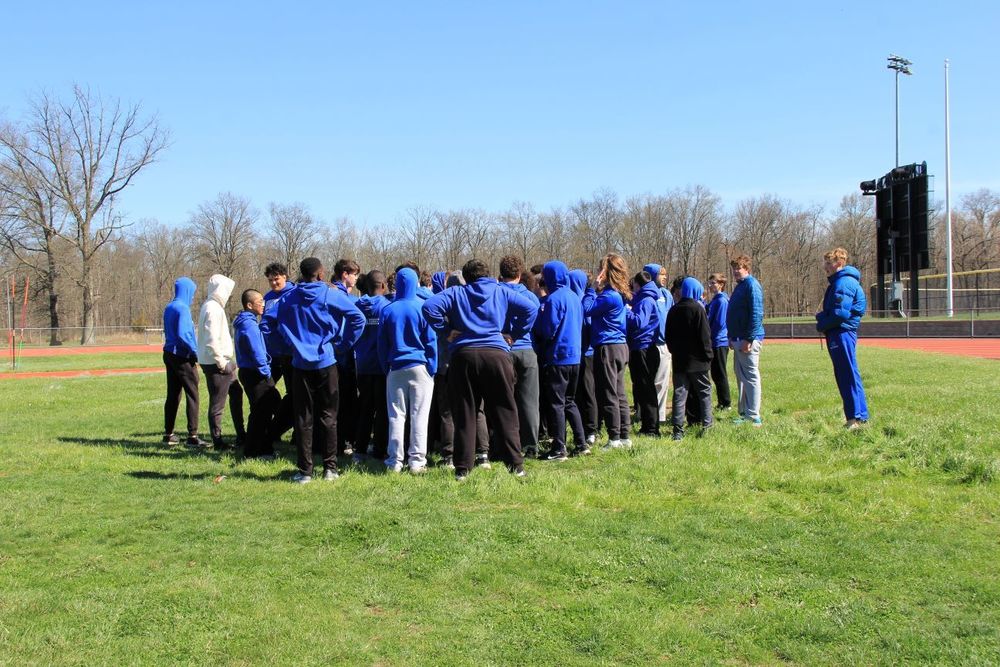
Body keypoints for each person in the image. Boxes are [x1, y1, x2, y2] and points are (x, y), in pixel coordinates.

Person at [422, 258, 539, 480]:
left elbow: (429, 307)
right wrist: (515, 334)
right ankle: (516, 466)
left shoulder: (457, 293)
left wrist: (446, 331)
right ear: (488, 274)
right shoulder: (501, 291)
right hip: (496, 355)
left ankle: (463, 469)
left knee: (465, 412)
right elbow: (531, 309)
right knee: (505, 410)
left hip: (464, 356)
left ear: (466, 277)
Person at [277, 257, 365, 483]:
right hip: (326, 362)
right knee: (329, 416)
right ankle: (329, 468)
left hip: (300, 366)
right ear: (321, 274)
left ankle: (305, 471)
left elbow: (277, 323)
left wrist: (292, 344)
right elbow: (357, 318)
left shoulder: (289, 297)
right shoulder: (330, 295)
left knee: (303, 418)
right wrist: (343, 345)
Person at [378, 267, 438, 473]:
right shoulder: (423, 307)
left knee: (396, 416)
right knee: (419, 415)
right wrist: (432, 367)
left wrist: (386, 366)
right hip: (420, 367)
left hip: (395, 367)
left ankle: (394, 461)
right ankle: (417, 461)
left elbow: (382, 344)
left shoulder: (387, 310)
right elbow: (431, 341)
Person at [533, 261, 587, 460]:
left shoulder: (553, 300)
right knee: (570, 402)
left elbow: (548, 330)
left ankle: (559, 448)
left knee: (556, 403)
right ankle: (581, 443)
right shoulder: (574, 297)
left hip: (558, 357)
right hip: (575, 357)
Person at [815, 248, 870, 429]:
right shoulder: (841, 282)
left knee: (846, 374)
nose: (825, 267)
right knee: (850, 373)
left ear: (839, 263)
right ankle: (860, 416)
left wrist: (822, 321)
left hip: (841, 333)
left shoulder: (843, 283)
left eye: (828, 263)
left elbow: (840, 314)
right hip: (841, 332)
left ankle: (854, 418)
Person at [583, 253, 631, 449]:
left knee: (609, 393)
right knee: (619, 392)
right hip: (619, 346)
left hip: (608, 348)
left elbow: (587, 308)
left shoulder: (609, 297)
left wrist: (593, 288)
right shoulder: (618, 294)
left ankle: (614, 438)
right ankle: (624, 435)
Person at [498, 255, 541, 459]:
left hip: (503, 351)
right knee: (529, 401)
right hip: (527, 351)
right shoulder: (531, 296)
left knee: (504, 401)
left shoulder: (496, 294)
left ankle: (505, 444)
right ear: (519, 273)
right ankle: (531, 445)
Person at [196, 274, 245, 450]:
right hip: (217, 363)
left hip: (220, 361)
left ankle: (241, 434)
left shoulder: (212, 307)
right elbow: (211, 339)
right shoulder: (212, 309)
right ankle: (218, 441)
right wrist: (221, 362)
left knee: (236, 392)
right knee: (218, 403)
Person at [665, 277, 714, 440]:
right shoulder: (698, 309)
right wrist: (708, 356)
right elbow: (704, 336)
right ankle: (707, 426)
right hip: (699, 361)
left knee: (680, 395)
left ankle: (678, 430)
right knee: (705, 393)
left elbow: (668, 337)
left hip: (680, 361)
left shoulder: (674, 310)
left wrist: (675, 352)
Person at [233, 289, 280, 459]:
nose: (263, 304)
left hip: (251, 371)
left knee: (267, 407)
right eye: (260, 301)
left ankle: (263, 446)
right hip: (255, 373)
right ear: (249, 305)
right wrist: (266, 372)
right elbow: (257, 352)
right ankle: (254, 451)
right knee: (261, 413)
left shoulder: (248, 322)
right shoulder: (249, 325)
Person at [353, 270, 391, 463]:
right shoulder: (387, 307)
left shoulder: (357, 306)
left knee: (365, 408)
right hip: (381, 366)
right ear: (383, 286)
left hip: (362, 365)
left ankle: (359, 450)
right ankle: (379, 449)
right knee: (382, 410)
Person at [162, 277, 203, 447]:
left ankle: (168, 434)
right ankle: (193, 436)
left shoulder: (169, 306)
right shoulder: (183, 308)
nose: (193, 297)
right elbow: (184, 334)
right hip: (182, 356)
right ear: (187, 291)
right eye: (192, 292)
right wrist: (195, 352)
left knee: (173, 394)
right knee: (192, 394)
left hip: (169, 353)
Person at [726, 255, 765, 426]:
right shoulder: (740, 286)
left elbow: (756, 314)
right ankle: (744, 412)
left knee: (751, 376)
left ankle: (753, 414)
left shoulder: (752, 285)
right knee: (741, 377)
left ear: (747, 269)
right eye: (734, 268)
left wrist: (749, 338)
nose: (736, 271)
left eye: (739, 268)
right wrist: (731, 336)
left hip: (748, 340)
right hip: (737, 338)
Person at [260, 262, 296, 444]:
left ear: (285, 277)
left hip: (289, 354)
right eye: (270, 280)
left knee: (293, 394)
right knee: (266, 392)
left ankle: (294, 432)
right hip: (271, 355)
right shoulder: (267, 297)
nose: (274, 283)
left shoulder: (292, 293)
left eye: (277, 279)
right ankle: (269, 429)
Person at [331, 258, 362, 455]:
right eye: (355, 274)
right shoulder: (344, 298)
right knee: (344, 403)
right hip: (342, 358)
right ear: (345, 274)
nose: (356, 278)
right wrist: (344, 346)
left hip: (331, 356)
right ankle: (344, 442)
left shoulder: (327, 292)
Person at [627, 270, 662, 436]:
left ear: (637, 284)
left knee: (646, 389)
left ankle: (651, 428)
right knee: (642, 388)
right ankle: (648, 426)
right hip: (641, 347)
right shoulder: (644, 298)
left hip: (644, 348)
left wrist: (626, 311)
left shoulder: (646, 300)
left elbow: (639, 322)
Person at [569, 269, 598, 447]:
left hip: (586, 354)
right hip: (575, 355)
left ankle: (592, 430)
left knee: (588, 393)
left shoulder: (586, 301)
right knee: (577, 394)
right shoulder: (573, 299)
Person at [643, 263, 674, 426]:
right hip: (647, 343)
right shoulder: (643, 294)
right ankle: (645, 413)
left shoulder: (666, 294)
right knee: (645, 381)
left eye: (665, 274)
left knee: (661, 382)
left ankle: (660, 416)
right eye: (660, 274)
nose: (664, 277)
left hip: (663, 344)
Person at [706, 273, 731, 410]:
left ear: (721, 284)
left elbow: (719, 323)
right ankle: (721, 401)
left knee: (720, 373)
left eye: (713, 283)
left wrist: (709, 335)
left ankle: (726, 403)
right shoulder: (715, 300)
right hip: (715, 341)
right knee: (715, 373)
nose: (710, 286)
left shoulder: (721, 301)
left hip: (719, 342)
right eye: (709, 283)